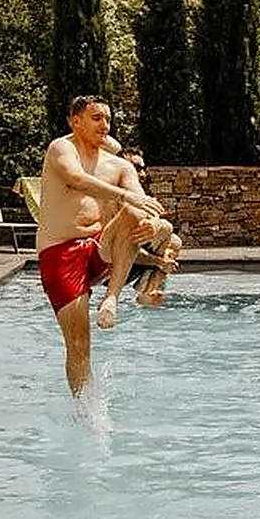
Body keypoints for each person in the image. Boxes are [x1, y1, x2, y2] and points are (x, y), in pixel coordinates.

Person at [36, 96, 166, 396]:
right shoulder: (61, 148)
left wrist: (149, 222)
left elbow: (139, 199)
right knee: (80, 343)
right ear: (75, 120)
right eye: (96, 118)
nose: (104, 124)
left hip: (99, 247)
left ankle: (112, 297)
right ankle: (84, 409)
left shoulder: (119, 166)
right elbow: (76, 179)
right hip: (60, 253)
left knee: (138, 215)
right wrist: (125, 198)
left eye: (107, 119)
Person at [111, 147, 181, 307]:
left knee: (174, 241)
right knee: (164, 228)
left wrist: (162, 259)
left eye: (143, 169)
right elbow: (118, 250)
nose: (142, 175)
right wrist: (159, 262)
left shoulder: (142, 200)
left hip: (135, 263)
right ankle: (147, 294)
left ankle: (149, 294)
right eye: (136, 169)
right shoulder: (111, 202)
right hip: (112, 268)